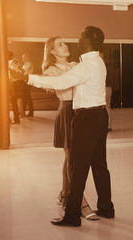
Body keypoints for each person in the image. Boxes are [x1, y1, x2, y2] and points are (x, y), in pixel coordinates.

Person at [29, 26, 114, 227]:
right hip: (99, 114)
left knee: (77, 166)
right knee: (99, 164)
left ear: (89, 41)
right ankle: (106, 207)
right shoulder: (96, 61)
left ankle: (72, 215)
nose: (77, 39)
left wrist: (28, 78)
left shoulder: (85, 65)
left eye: (81, 36)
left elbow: (62, 82)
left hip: (87, 117)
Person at [41, 36, 99, 220]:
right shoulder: (50, 71)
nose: (65, 46)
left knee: (71, 159)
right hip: (66, 112)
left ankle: (65, 195)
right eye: (60, 45)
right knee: (73, 160)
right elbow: (58, 85)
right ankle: (81, 203)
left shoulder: (76, 64)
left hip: (80, 111)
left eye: (65, 43)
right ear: (52, 51)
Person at [100, 51, 113, 131]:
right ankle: (109, 125)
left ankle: (106, 125)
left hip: (104, 88)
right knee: (108, 107)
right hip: (108, 88)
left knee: (104, 107)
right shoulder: (108, 66)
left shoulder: (102, 67)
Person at [21, 53, 34, 117]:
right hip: (24, 82)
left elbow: (25, 72)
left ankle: (31, 112)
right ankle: (23, 111)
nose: (23, 59)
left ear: (28, 57)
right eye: (23, 57)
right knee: (25, 97)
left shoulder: (29, 63)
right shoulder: (24, 65)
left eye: (25, 57)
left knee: (27, 97)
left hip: (27, 82)